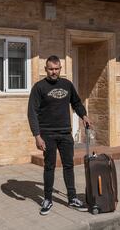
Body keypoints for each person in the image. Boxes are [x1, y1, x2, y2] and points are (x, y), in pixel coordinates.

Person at [28, 55, 91, 215]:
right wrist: (37, 135)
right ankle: (47, 199)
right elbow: (32, 113)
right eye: (51, 69)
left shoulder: (67, 85)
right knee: (49, 167)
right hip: (47, 134)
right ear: (45, 69)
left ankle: (72, 198)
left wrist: (83, 115)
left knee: (68, 166)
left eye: (56, 69)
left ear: (60, 69)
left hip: (65, 133)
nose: (54, 72)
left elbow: (76, 102)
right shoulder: (39, 87)